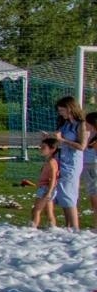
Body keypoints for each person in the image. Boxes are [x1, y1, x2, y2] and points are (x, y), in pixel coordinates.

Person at [51, 96, 89, 229]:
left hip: (73, 162)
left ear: (70, 108)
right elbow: (60, 139)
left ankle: (74, 226)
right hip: (63, 159)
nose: (60, 113)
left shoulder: (81, 124)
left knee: (69, 194)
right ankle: (68, 226)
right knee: (62, 193)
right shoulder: (66, 123)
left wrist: (63, 140)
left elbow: (82, 146)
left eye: (62, 110)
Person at [31, 136, 60, 230]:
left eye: (44, 147)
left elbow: (53, 178)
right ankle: (52, 227)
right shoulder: (49, 161)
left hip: (46, 189)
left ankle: (32, 228)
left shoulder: (51, 162)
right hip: (47, 188)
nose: (41, 149)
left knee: (36, 210)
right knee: (49, 211)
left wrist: (49, 192)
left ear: (52, 149)